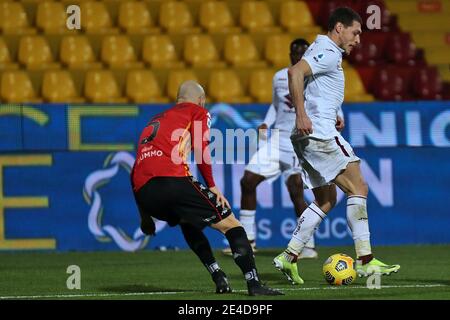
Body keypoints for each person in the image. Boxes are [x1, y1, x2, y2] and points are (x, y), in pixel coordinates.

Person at [273, 7, 400, 285]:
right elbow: (294, 73)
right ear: (339, 28)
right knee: (359, 187)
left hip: (308, 134)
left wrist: (324, 114)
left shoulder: (324, 52)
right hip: (318, 132)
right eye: (355, 32)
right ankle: (365, 261)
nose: (358, 39)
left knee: (325, 199)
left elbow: (310, 85)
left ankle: (289, 256)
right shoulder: (328, 51)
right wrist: (302, 114)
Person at [131, 80, 283, 296]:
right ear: (201, 100)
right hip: (173, 181)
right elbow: (201, 150)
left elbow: (135, 171)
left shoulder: (154, 120)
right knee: (233, 225)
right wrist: (212, 186)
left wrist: (145, 217)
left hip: (146, 194)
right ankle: (254, 284)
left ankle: (218, 276)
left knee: (187, 222)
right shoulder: (197, 111)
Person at [223, 39, 337, 260]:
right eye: (294, 53)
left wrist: (338, 117)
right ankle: (249, 240)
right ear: (289, 54)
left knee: (296, 189)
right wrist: (267, 122)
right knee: (248, 180)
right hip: (277, 140)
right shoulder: (279, 77)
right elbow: (276, 106)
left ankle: (308, 245)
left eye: (302, 53)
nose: (297, 56)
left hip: (300, 141)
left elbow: (330, 104)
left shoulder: (317, 77)